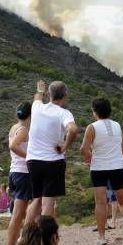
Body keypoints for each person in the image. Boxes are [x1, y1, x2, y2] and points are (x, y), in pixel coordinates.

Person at [80, 97, 123, 245]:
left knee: (100, 202)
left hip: (99, 168)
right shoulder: (117, 125)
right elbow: (122, 146)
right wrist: (117, 157)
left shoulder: (91, 127)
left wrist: (90, 158)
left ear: (95, 112)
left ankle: (102, 237)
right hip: (117, 166)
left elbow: (83, 149)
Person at [26, 80, 79, 221]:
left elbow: (37, 97)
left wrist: (40, 90)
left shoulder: (36, 107)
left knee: (36, 200)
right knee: (48, 202)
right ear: (65, 96)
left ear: (49, 94)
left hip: (33, 161)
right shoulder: (63, 113)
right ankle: (44, 236)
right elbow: (73, 129)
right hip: (53, 162)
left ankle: (25, 237)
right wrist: (65, 146)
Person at [3, 101, 33, 245]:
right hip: (24, 173)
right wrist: (30, 156)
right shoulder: (23, 130)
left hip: (14, 172)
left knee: (18, 213)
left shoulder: (13, 127)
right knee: (23, 212)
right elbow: (13, 146)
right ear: (31, 114)